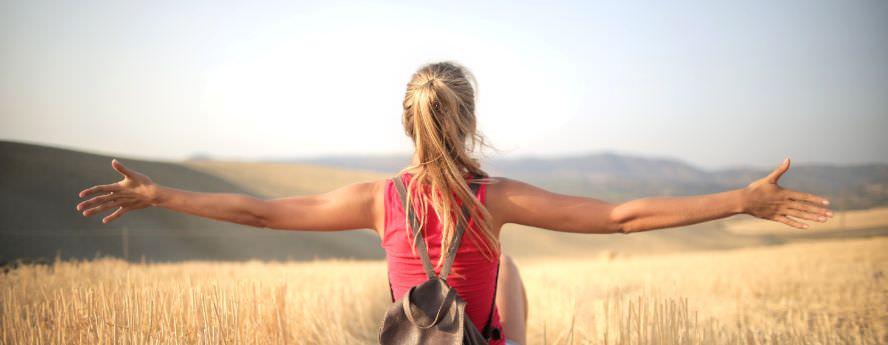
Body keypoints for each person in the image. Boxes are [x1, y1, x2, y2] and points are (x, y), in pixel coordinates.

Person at [76, 62, 833, 345]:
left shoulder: (379, 200)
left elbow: (262, 213)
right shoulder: (494, 199)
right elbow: (620, 218)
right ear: (467, 121)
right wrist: (743, 197)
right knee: (511, 283)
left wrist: (158, 193)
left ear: (406, 124)